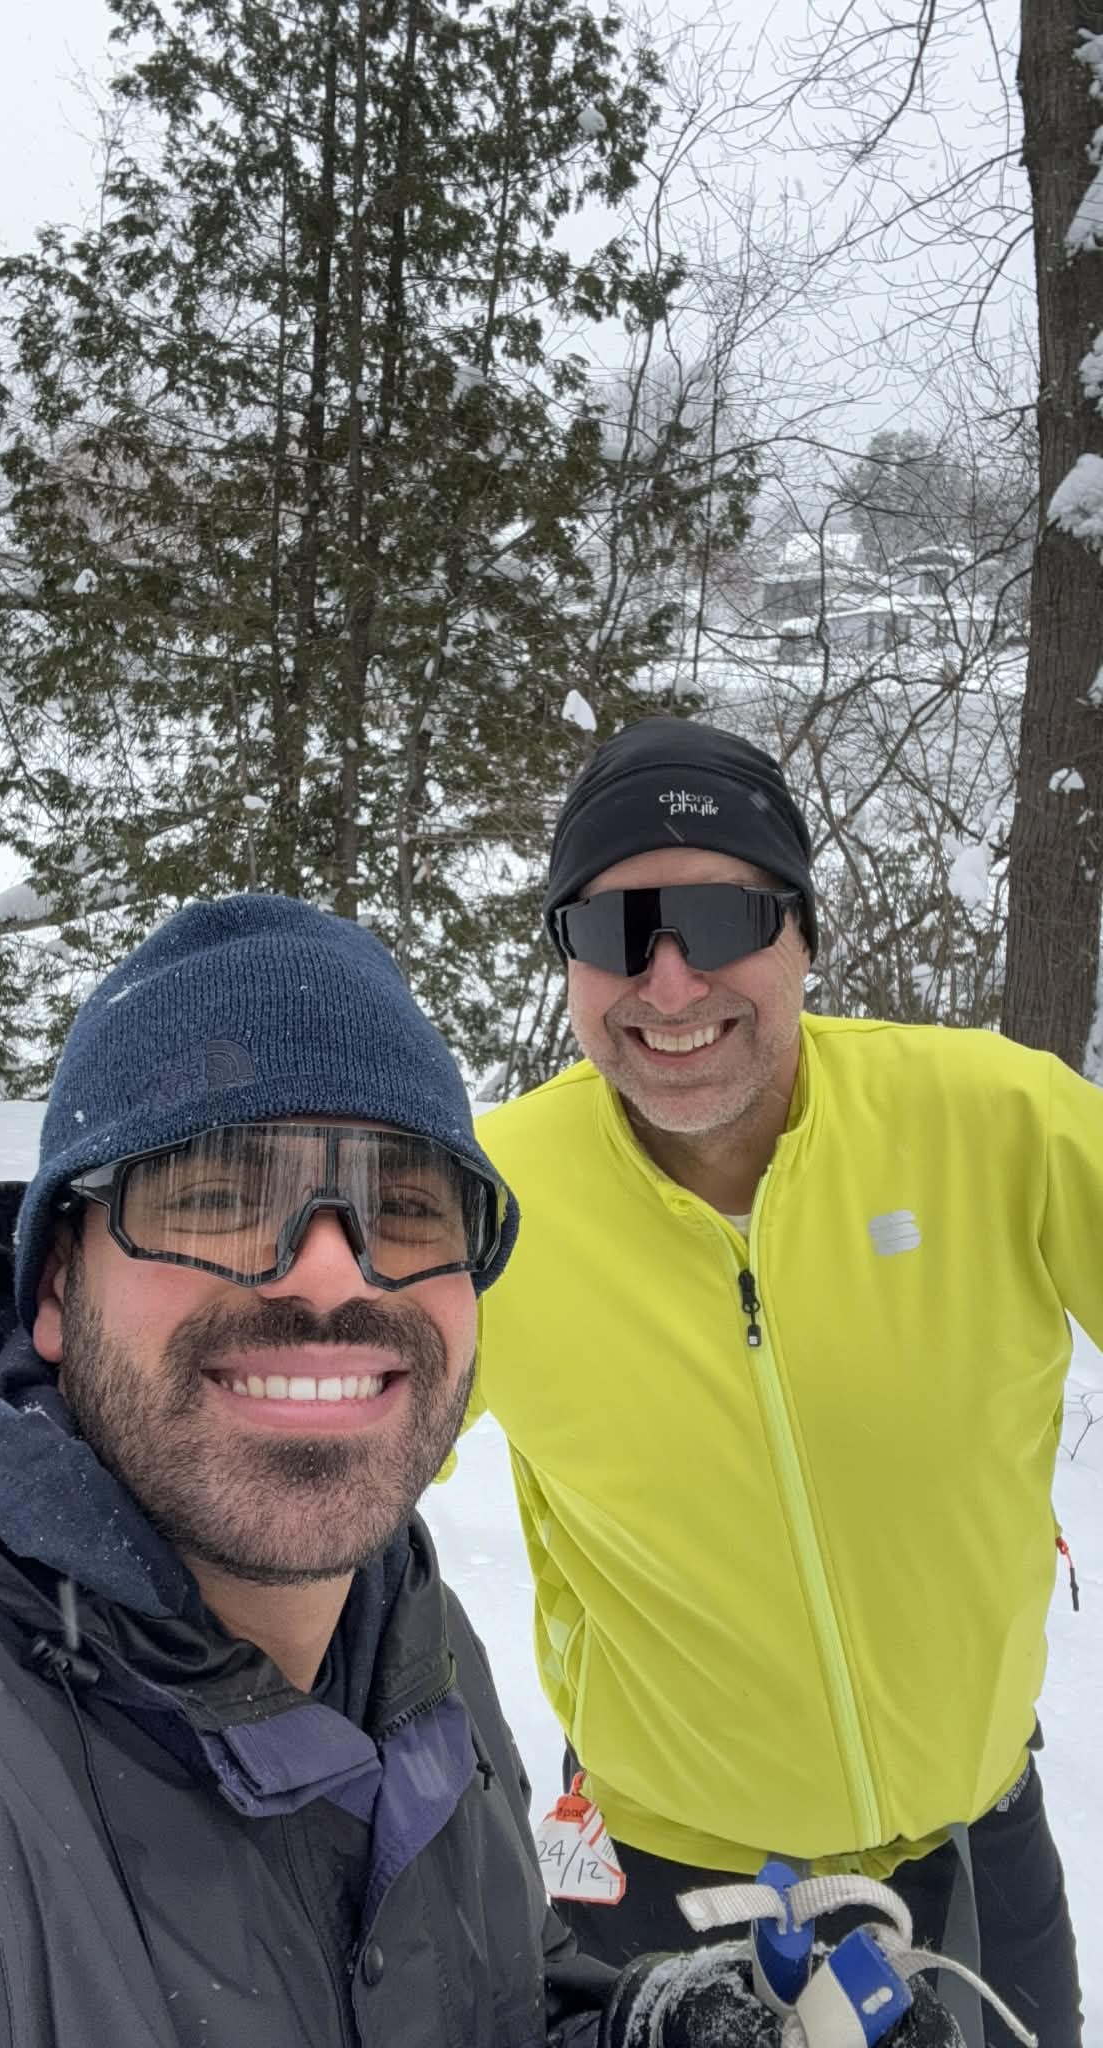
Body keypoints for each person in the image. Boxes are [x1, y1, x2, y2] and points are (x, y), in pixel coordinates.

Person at [0, 892, 970, 2048]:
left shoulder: (407, 1636)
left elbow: (482, 2001)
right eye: (219, 1196)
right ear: (55, 1286)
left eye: (406, 1206)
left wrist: (644, 2033)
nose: (332, 1272)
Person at [474, 717, 1095, 2047]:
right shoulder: (491, 1200)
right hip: (661, 1884)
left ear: (803, 933)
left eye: (720, 918)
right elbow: (304, 1437)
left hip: (973, 1853)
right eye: (614, 930)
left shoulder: (998, 1121)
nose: (670, 981)